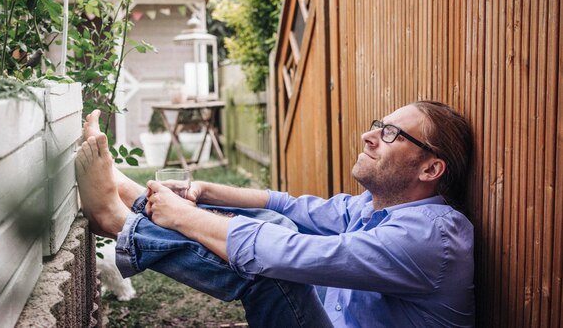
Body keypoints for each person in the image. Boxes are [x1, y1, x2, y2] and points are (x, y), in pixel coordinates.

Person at [76, 101, 475, 327]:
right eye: (377, 125)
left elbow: (293, 255)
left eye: (391, 134)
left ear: (430, 169)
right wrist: (202, 190)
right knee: (278, 225)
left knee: (272, 270)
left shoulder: (429, 238)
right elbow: (287, 206)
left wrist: (183, 216)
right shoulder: (375, 209)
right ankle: (130, 196)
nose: (369, 136)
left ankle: (117, 220)